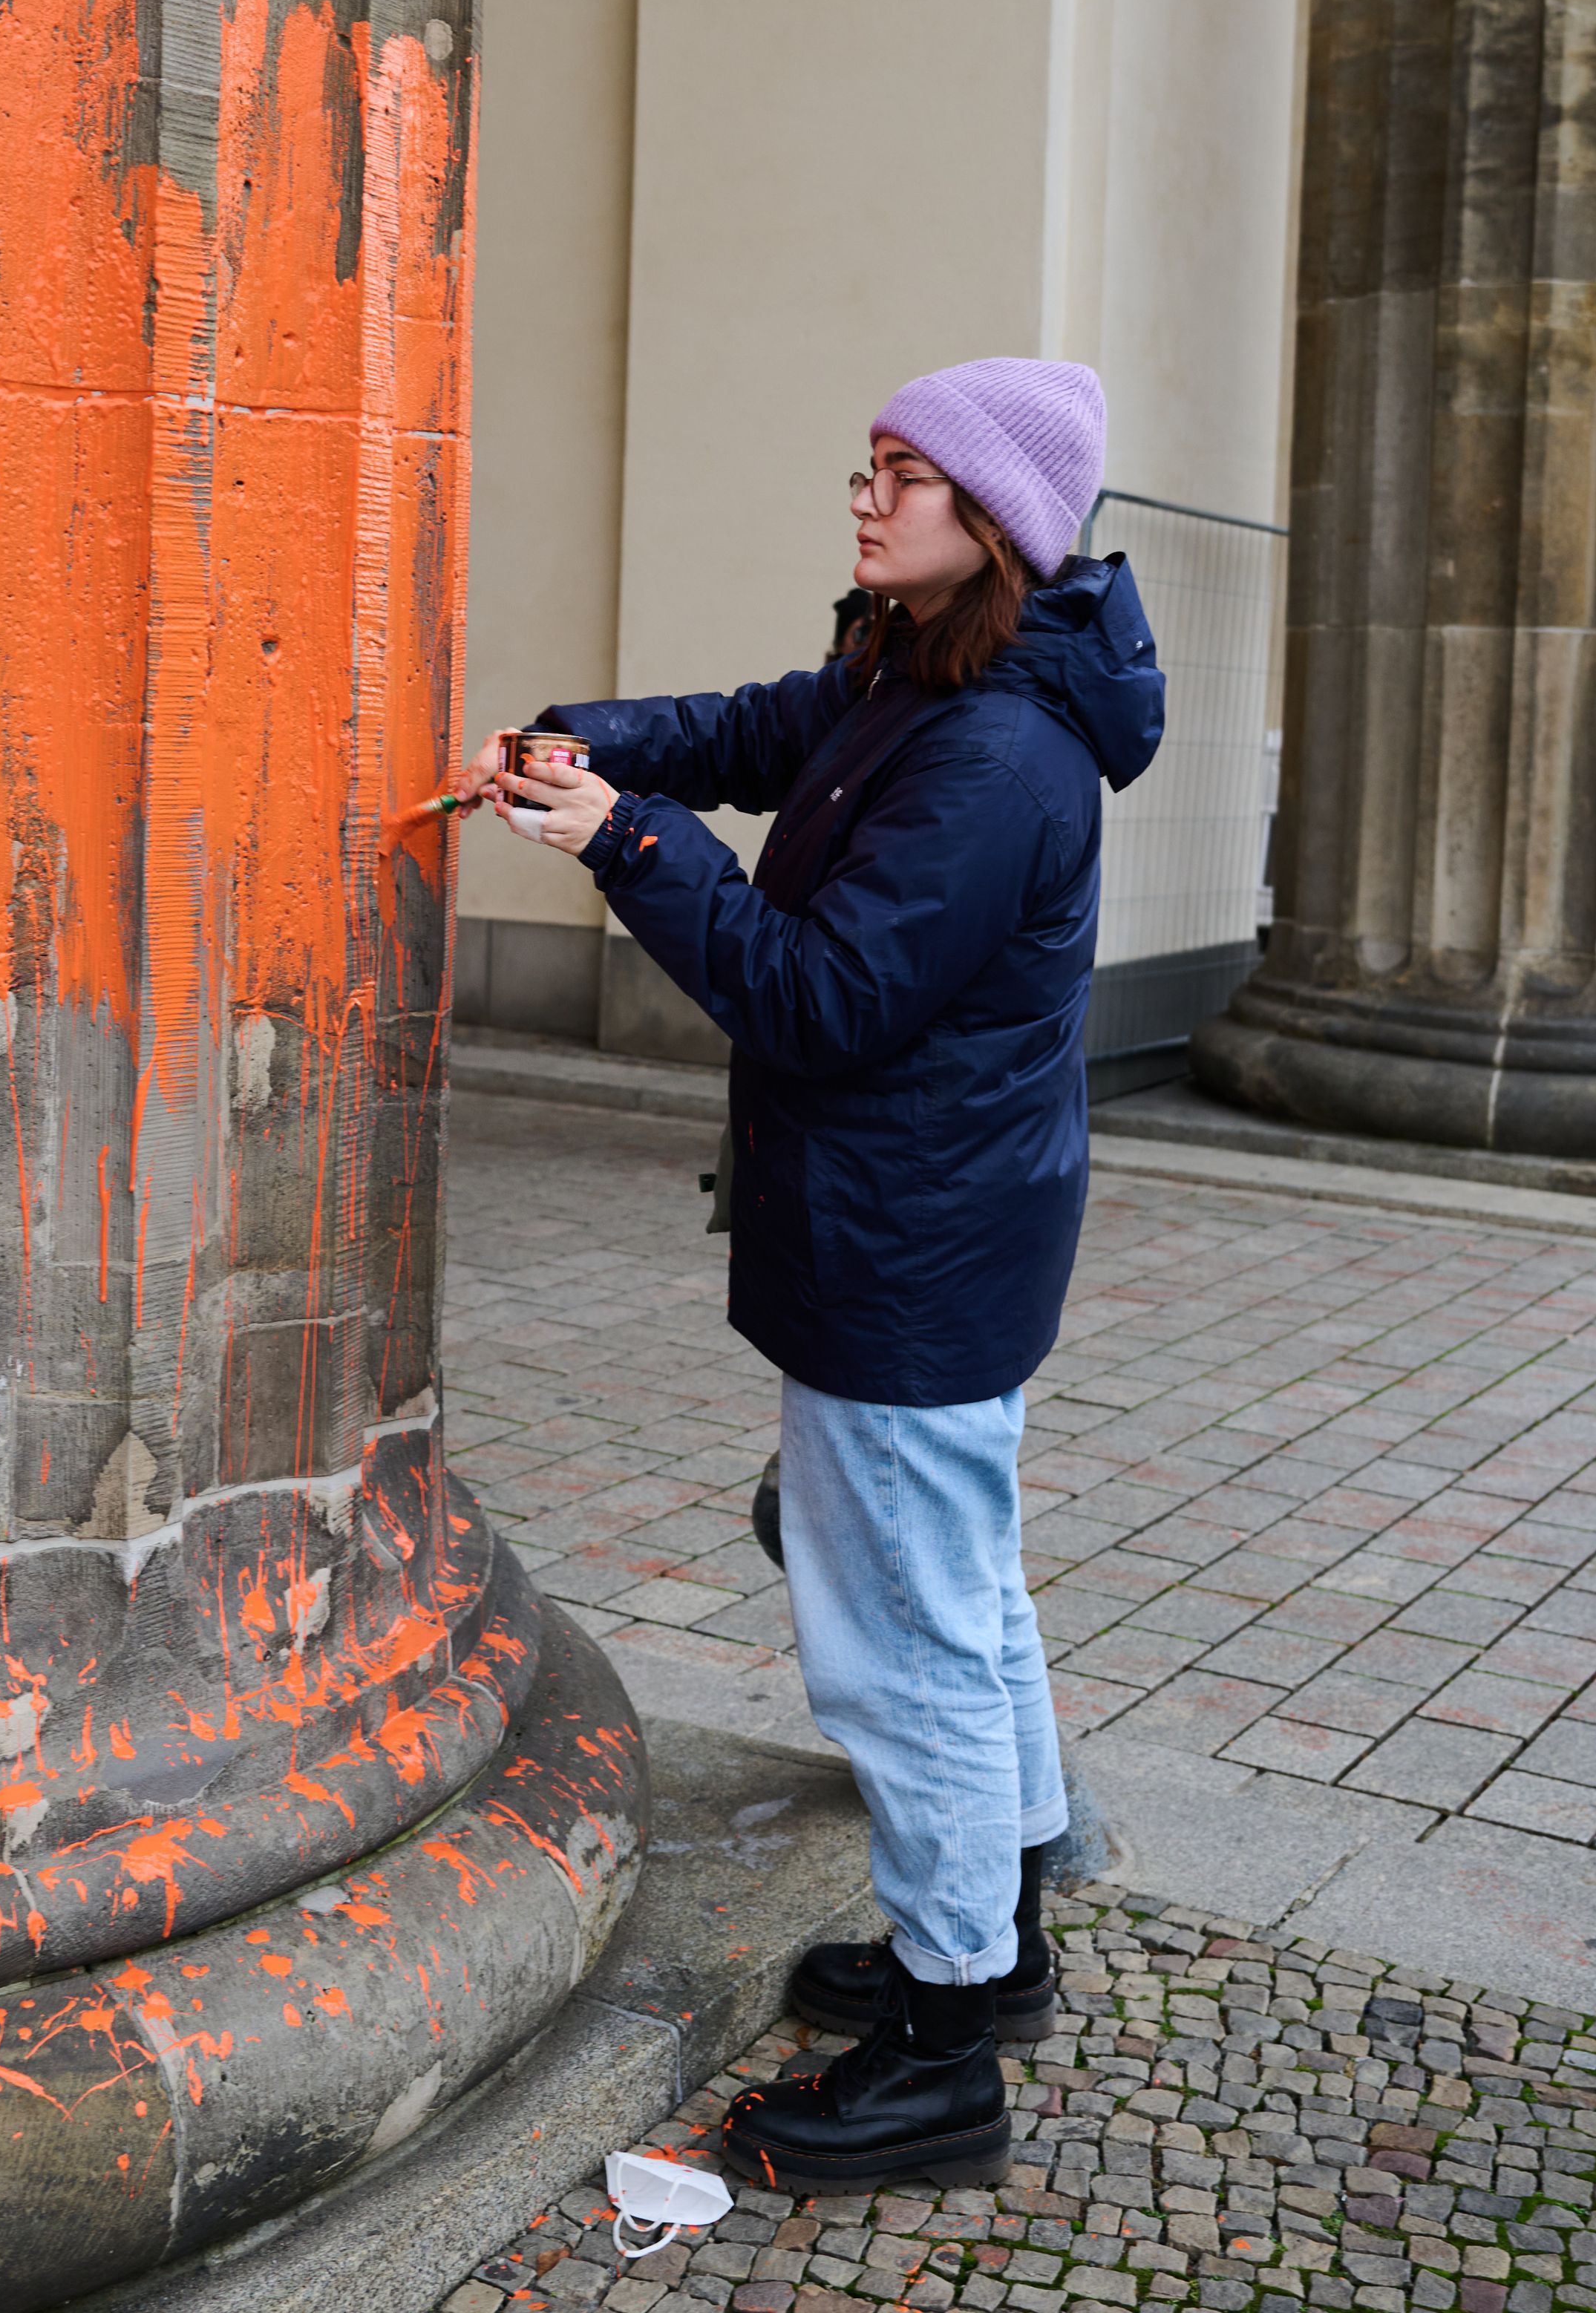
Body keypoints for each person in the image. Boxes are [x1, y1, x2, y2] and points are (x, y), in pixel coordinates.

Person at [474, 356, 1162, 2194]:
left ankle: (942, 2049)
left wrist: (619, 837)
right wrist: (588, 734)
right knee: (965, 1591)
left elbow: (822, 996)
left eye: (907, 476)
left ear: (994, 520)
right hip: (937, 1227)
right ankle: (990, 1943)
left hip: (910, 1247)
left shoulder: (1000, 750)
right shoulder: (922, 668)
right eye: (865, 466)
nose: (866, 500)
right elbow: (758, 724)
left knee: (905, 1647)